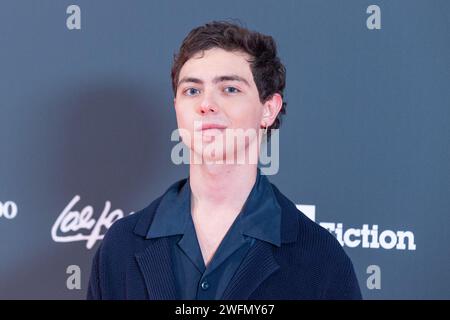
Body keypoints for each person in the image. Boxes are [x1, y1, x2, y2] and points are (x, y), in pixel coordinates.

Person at [87, 20, 362, 300]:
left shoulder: (320, 260)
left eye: (230, 89)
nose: (206, 104)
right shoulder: (121, 247)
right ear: (177, 109)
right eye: (192, 90)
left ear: (268, 110)